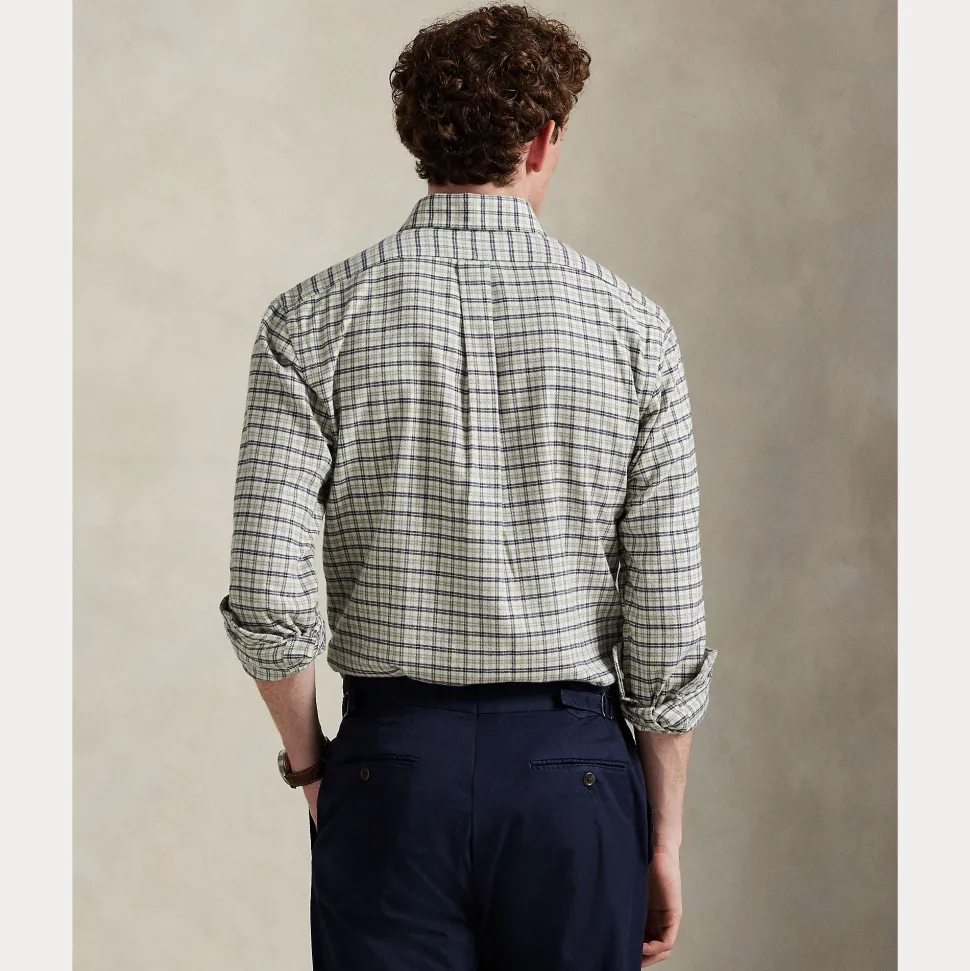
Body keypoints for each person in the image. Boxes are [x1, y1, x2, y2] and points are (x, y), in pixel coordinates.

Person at [218, 4, 718, 969]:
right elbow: (666, 621)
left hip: (392, 771)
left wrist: (316, 769)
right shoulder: (635, 331)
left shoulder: (308, 321)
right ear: (545, 138)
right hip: (573, 780)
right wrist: (663, 837)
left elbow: (270, 597)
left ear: (420, 138)